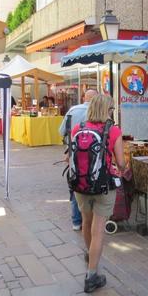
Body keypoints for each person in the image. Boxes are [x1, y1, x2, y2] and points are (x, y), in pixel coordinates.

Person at [70, 94, 125, 293]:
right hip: (103, 185)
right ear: (107, 110)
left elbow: (70, 155)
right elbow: (121, 162)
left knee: (86, 222)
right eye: (111, 109)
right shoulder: (113, 130)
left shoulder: (78, 128)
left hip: (81, 184)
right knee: (99, 229)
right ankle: (92, 275)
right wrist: (122, 168)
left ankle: (90, 254)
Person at [60, 89, 98, 231]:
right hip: (95, 157)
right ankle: (92, 220)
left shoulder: (73, 110)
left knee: (76, 185)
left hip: (74, 155)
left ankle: (77, 221)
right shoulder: (99, 112)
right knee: (93, 184)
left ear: (84, 98)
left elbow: (62, 131)